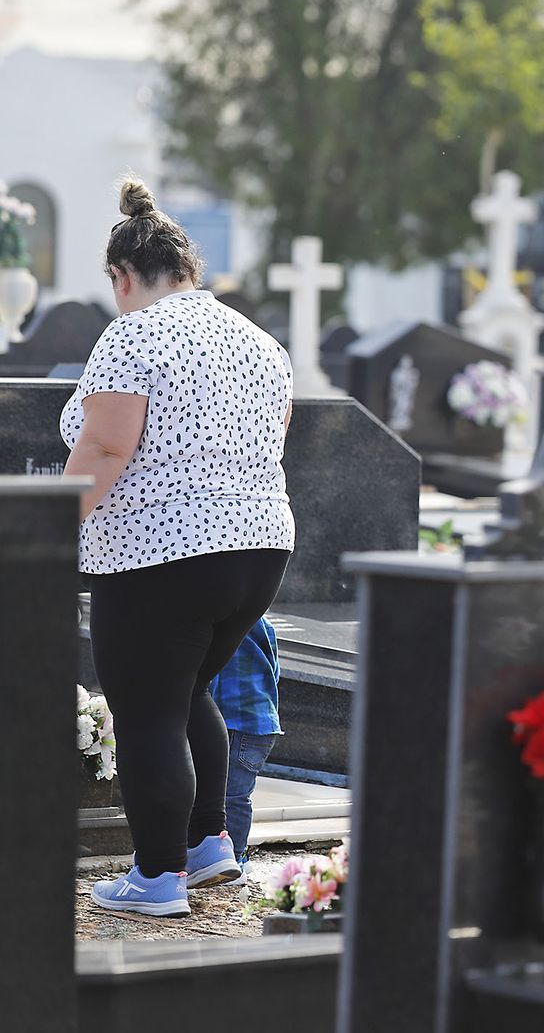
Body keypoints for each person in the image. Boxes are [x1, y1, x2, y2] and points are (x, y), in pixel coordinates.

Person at [65, 178, 294, 917]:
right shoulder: (261, 343)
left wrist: (36, 538)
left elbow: (104, 448)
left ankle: (157, 877)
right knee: (187, 691)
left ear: (122, 277)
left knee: (146, 712)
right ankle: (206, 847)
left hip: (160, 552)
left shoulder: (132, 334)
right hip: (260, 551)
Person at [210, 616, 284, 879]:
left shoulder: (222, 624)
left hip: (234, 720)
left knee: (229, 796)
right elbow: (274, 671)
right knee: (238, 795)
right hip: (263, 722)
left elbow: (211, 678)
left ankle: (234, 858)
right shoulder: (263, 624)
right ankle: (237, 856)